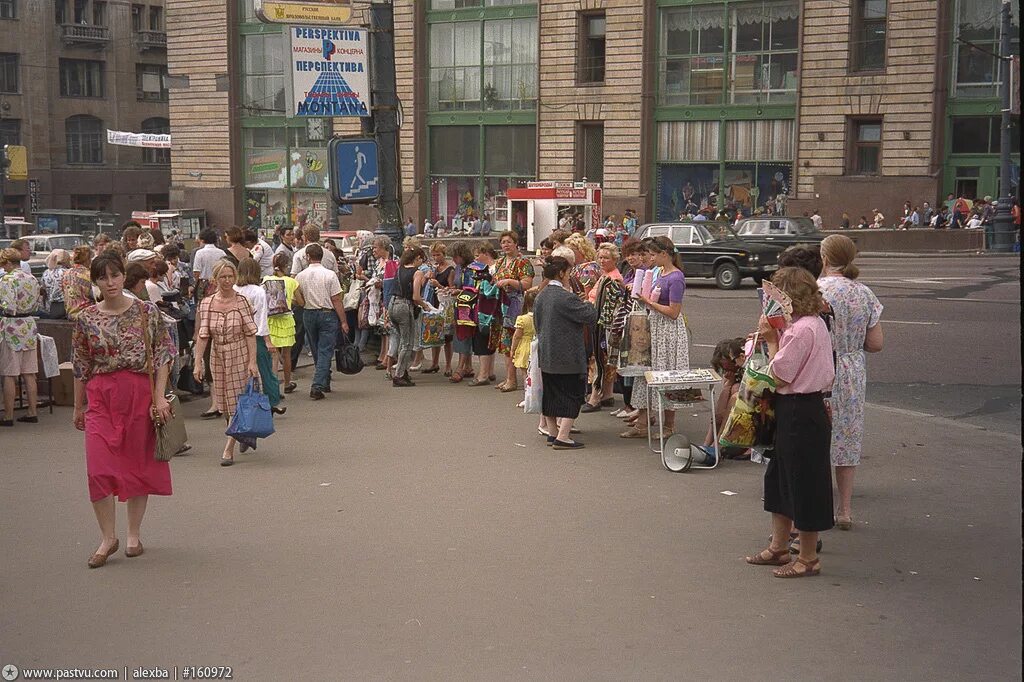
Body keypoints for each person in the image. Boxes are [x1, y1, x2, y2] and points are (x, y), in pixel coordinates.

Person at [71, 252, 175, 567]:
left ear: (123, 276)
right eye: (103, 277)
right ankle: (107, 537)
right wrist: (78, 406)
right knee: (98, 468)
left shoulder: (146, 312)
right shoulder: (86, 318)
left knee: (137, 464)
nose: (111, 282)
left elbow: (163, 354)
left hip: (138, 392)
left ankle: (132, 534)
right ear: (96, 281)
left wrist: (159, 397)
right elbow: (80, 365)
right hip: (101, 395)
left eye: (115, 275)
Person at [745, 267, 835, 578]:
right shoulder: (811, 324)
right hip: (801, 409)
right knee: (780, 478)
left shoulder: (801, 330)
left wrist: (772, 342)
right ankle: (780, 546)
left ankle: (807, 557)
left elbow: (780, 374)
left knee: (803, 482)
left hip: (800, 408)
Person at [817, 235, 883, 530]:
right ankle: (844, 509)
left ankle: (815, 507)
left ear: (825, 259)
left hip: (820, 368)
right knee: (847, 435)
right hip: (852, 370)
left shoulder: (816, 291)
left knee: (817, 436)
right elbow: (876, 343)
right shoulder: (864, 293)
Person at [621, 236, 690, 439]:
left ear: (664, 254)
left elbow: (674, 312)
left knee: (667, 374)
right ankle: (642, 423)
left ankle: (669, 425)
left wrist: (648, 302)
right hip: (655, 328)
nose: (650, 258)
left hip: (668, 331)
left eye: (653, 254)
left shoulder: (676, 277)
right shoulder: (660, 272)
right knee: (646, 372)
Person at [193, 260, 259, 465]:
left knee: (237, 400)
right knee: (223, 403)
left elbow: (250, 334)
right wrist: (197, 363)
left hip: (238, 352)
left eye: (231, 276)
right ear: (215, 279)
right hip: (217, 355)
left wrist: (252, 361)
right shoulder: (207, 303)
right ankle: (242, 432)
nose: (228, 281)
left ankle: (228, 448)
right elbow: (203, 335)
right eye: (223, 277)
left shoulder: (242, 301)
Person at [533, 256, 599, 449]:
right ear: (561, 273)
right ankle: (563, 436)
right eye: (569, 273)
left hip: (547, 354)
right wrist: (587, 302)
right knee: (572, 395)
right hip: (568, 356)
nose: (570, 277)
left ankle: (553, 433)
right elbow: (590, 315)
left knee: (551, 396)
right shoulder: (565, 297)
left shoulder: (541, 295)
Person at [295, 244, 350, 400]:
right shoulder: (330, 275)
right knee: (326, 350)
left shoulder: (300, 276)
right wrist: (343, 321)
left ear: (307, 257)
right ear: (322, 256)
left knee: (316, 348)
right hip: (327, 313)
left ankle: (324, 380)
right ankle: (318, 385)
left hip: (308, 313)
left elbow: (298, 297)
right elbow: (336, 299)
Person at [234, 257, 284, 414]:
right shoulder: (258, 291)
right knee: (265, 369)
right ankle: (272, 401)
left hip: (237, 335)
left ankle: (242, 402)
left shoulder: (234, 289)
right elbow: (262, 317)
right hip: (256, 335)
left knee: (239, 370)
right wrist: (267, 339)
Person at [0, 248, 43, 427]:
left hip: (11, 326)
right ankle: (32, 412)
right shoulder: (32, 278)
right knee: (29, 373)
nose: (2, 267)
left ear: (9, 263)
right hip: (29, 325)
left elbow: (8, 305)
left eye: (3, 263)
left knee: (9, 373)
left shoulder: (7, 280)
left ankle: (8, 416)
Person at [493, 231, 535, 393]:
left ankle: (519, 379)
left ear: (516, 243)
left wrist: (510, 281)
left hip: (517, 305)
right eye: (503, 242)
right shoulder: (500, 262)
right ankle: (510, 378)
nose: (506, 245)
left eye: (509, 242)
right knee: (506, 343)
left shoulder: (523, 262)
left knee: (518, 340)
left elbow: (527, 284)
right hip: (502, 305)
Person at [264, 252, 304, 394]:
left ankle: (272, 385)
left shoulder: (266, 280)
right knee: (287, 355)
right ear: (286, 266)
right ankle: (287, 383)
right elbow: (300, 302)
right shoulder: (292, 282)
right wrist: (290, 301)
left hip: (270, 320)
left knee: (272, 355)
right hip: (286, 320)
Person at [389, 246, 428, 387]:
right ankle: (399, 375)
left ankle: (403, 371)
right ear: (417, 258)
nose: (421, 263)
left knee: (401, 341)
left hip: (392, 304)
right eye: (421, 260)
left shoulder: (399, 269)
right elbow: (416, 296)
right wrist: (425, 305)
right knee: (407, 343)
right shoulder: (417, 273)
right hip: (404, 306)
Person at [468, 244, 499, 386]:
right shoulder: (498, 266)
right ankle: (490, 371)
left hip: (486, 308)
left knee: (482, 339)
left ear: (485, 253)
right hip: (493, 308)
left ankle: (483, 375)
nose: (475, 259)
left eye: (477, 255)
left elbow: (487, 290)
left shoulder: (490, 270)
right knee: (490, 339)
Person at [448, 241, 476, 383]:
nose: (454, 260)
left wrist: (459, 291)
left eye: (455, 256)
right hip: (460, 303)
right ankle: (468, 366)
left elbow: (472, 288)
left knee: (463, 335)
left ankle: (460, 367)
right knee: (461, 333)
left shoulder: (472, 268)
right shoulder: (459, 268)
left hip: (468, 305)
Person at [425, 242, 455, 375]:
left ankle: (448, 365)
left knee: (447, 337)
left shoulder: (450, 270)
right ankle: (434, 362)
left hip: (445, 304)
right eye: (434, 255)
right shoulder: (434, 269)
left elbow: (452, 289)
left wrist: (439, 285)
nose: (436, 258)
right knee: (434, 334)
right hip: (434, 302)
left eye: (438, 255)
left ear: (444, 254)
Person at [510, 289, 537, 403]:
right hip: (536, 346)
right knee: (535, 374)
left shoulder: (522, 319)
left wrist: (513, 349)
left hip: (525, 347)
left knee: (526, 375)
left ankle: (528, 397)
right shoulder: (539, 318)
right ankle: (536, 395)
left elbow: (517, 336)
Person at [191, 229, 226, 301]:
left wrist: (196, 284)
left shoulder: (199, 253)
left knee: (203, 305)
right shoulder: (222, 252)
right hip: (218, 283)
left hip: (204, 283)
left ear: (202, 240)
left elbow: (196, 272)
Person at [63, 245, 96, 321]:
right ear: (87, 259)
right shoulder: (89, 274)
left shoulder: (66, 273)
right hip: (87, 315)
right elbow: (96, 296)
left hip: (71, 314)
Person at [40, 249, 71, 319]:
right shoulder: (68, 272)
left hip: (50, 306)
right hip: (64, 305)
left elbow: (43, 290)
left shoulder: (46, 272)